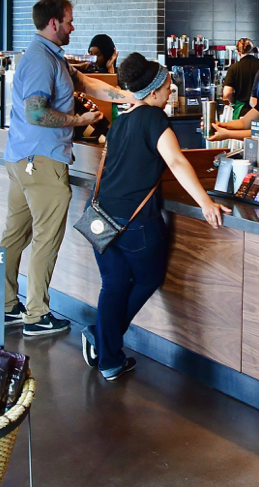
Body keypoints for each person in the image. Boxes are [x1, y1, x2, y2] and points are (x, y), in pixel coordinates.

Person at [81, 53, 232, 380]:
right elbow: (176, 162)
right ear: (151, 92)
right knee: (147, 279)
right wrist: (205, 202)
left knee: (113, 285)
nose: (171, 90)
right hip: (137, 223)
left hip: (101, 216)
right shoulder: (154, 119)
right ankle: (102, 342)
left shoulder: (122, 118)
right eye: (166, 86)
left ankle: (108, 356)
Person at [1, 0, 134, 337]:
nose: (74, 27)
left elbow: (87, 83)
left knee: (15, 234)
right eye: (70, 20)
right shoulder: (42, 61)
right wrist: (79, 119)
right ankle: (36, 315)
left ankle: (5, 306)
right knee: (46, 237)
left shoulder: (49, 56)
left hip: (23, 157)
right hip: (42, 160)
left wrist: (128, 97)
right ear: (54, 23)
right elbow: (35, 112)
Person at [220, 38, 259, 120]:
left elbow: (227, 93)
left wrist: (234, 102)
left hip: (242, 111)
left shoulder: (234, 68)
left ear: (238, 53)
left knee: (240, 132)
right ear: (254, 51)